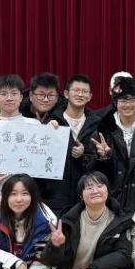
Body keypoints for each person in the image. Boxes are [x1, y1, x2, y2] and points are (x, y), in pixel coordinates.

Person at [0, 74, 48, 210]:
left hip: (23, 197)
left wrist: (52, 131)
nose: (9, 98)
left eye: (14, 93)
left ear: (21, 97)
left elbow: (42, 160)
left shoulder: (34, 125)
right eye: (4, 94)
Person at [87, 75, 135, 216]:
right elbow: (90, 170)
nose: (127, 105)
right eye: (123, 100)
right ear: (115, 103)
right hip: (111, 200)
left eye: (132, 100)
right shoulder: (103, 130)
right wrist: (103, 157)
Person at [22, 73, 79, 217]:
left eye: (51, 95)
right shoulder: (19, 116)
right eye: (41, 94)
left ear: (57, 97)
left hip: (56, 191)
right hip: (23, 187)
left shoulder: (64, 117)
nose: (46, 99)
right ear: (31, 95)